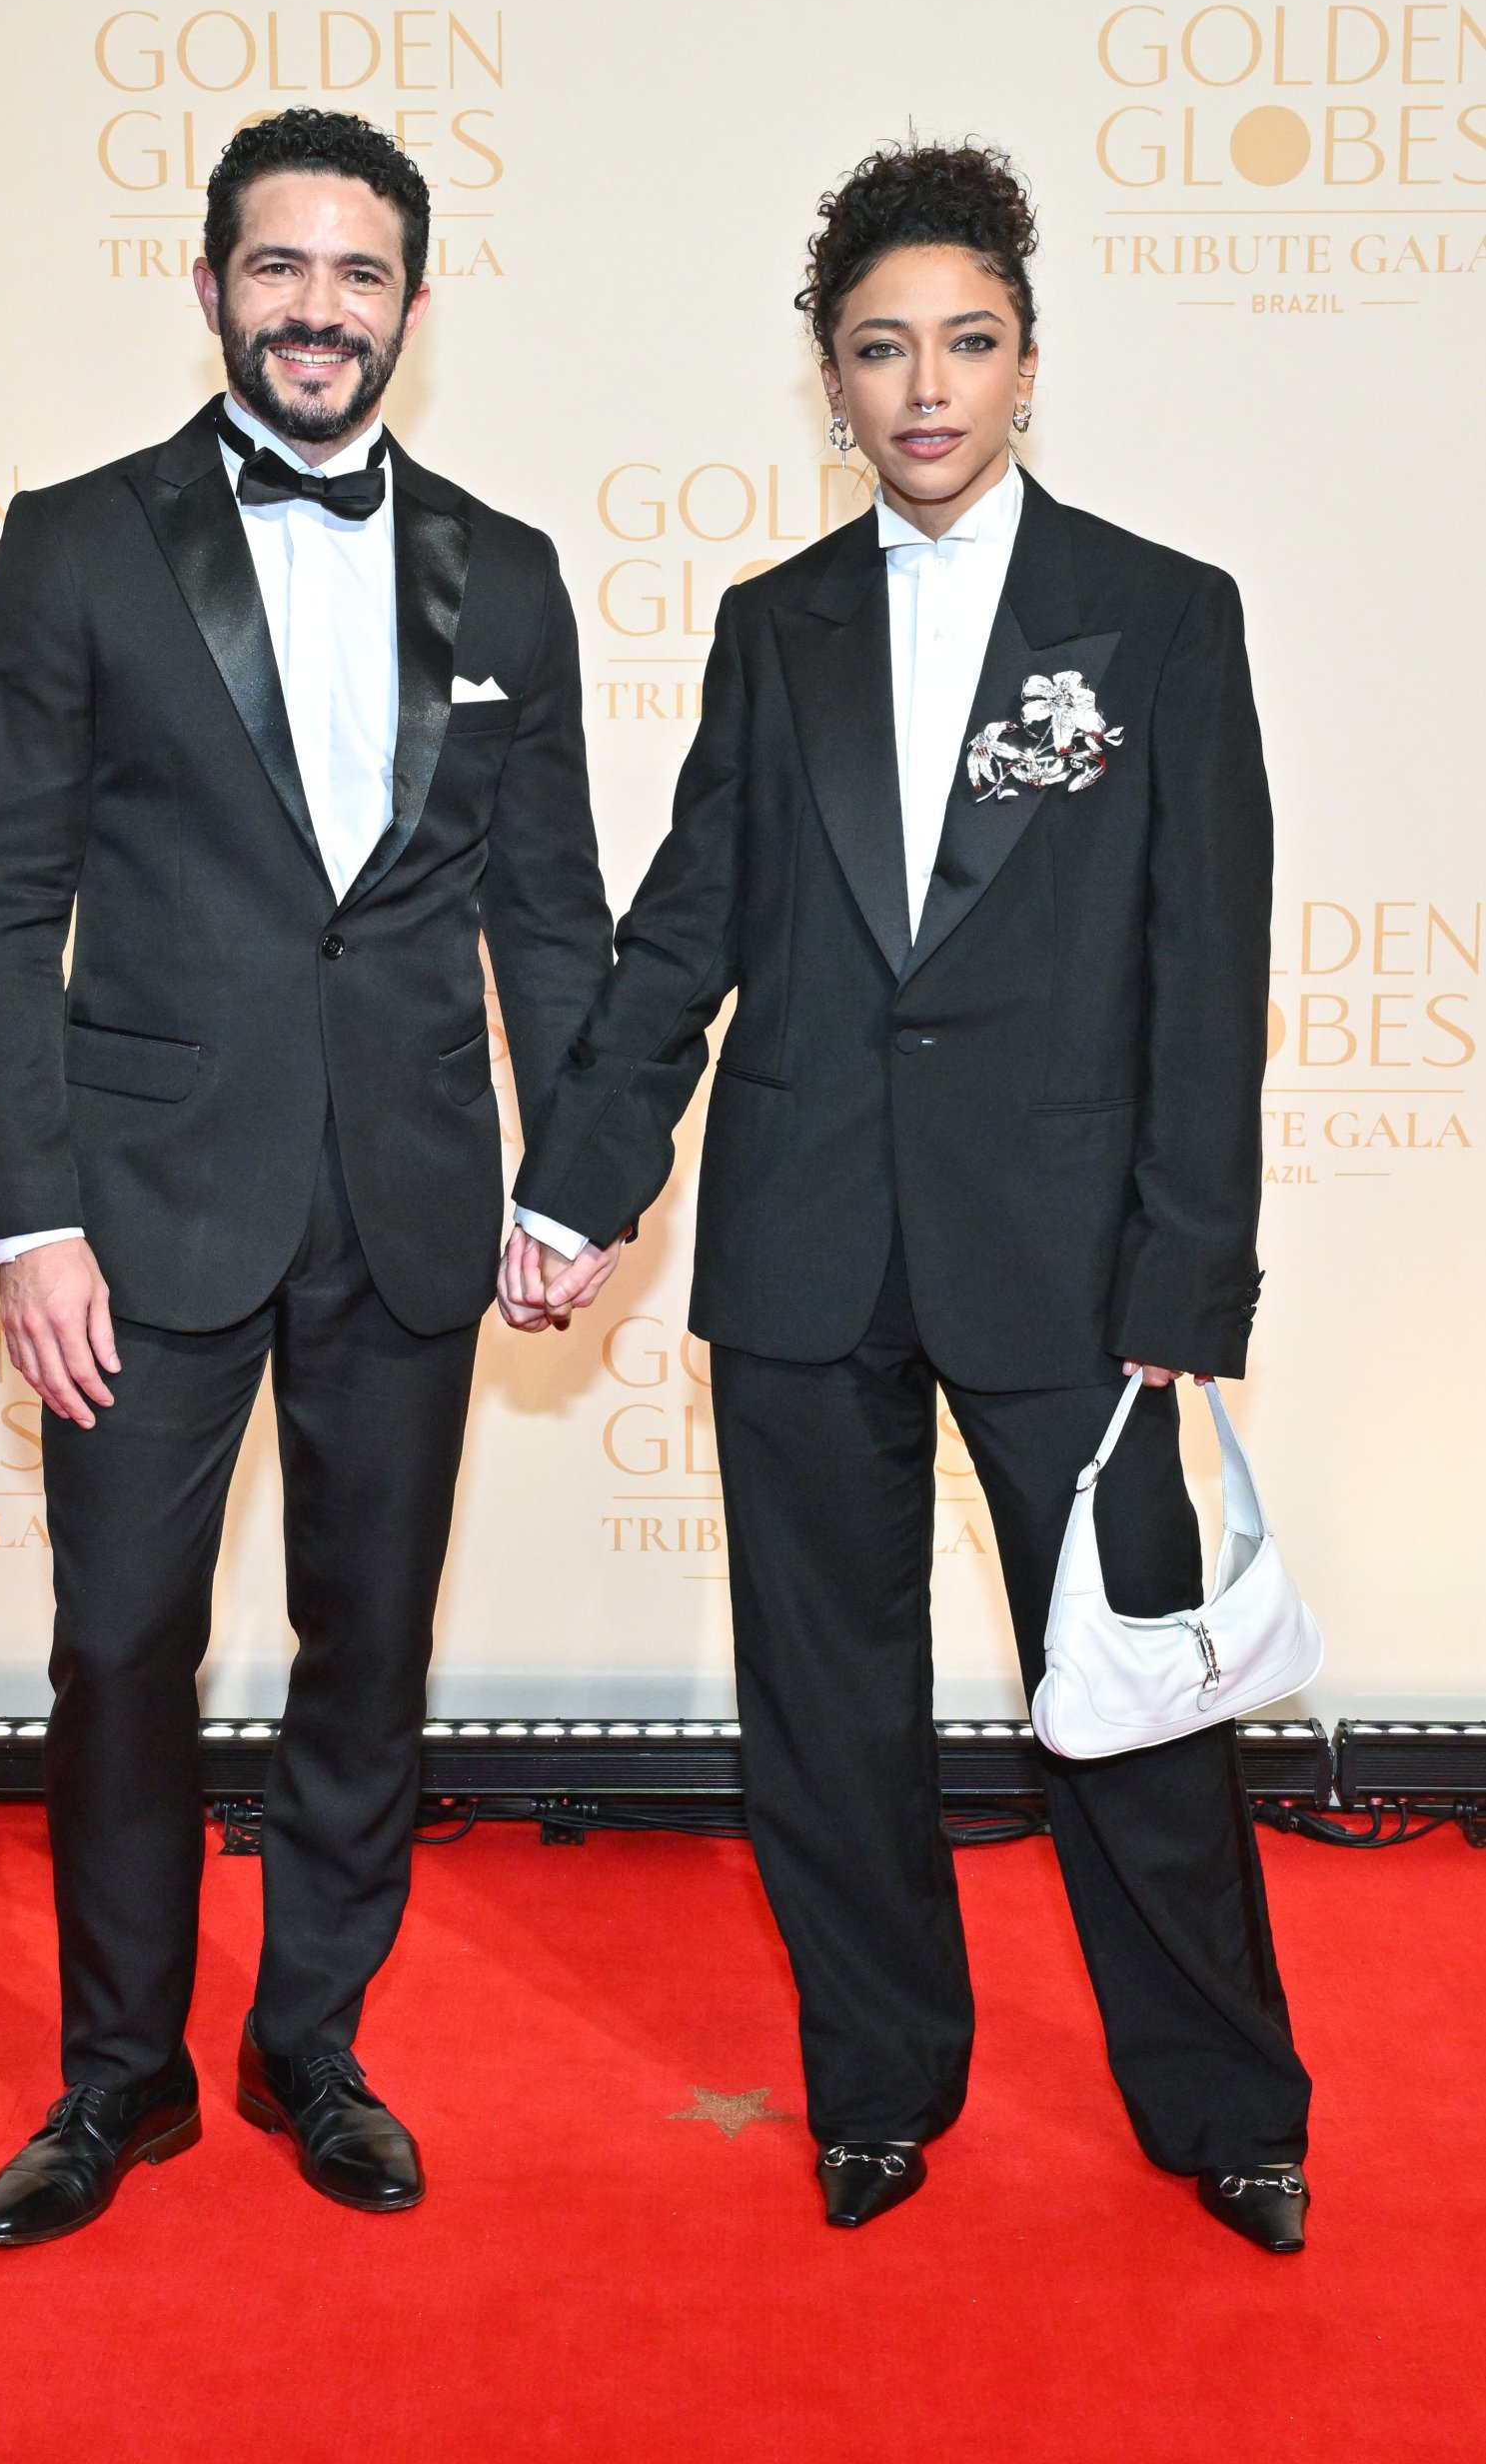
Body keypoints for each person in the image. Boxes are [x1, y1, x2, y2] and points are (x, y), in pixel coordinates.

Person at [502, 142, 1311, 2250]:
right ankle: (878, 2079)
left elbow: (1204, 969)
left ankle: (1227, 2101)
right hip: (799, 1246)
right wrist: (578, 1186)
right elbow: (683, 931)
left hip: (1071, 1264)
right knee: (825, 1703)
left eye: (964, 340)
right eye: (880, 348)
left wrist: (1186, 1269)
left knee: (1135, 1700)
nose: (924, 385)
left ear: (1027, 362)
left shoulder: (1157, 615)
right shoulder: (774, 633)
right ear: (829, 380)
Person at [0, 107, 612, 2245]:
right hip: (137, 1215)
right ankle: (118, 2074)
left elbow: (555, 912)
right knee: (122, 1643)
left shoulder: (504, 569)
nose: (318, 308)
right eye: (280, 267)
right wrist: (28, 1214)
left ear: (414, 300)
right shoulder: (75, 541)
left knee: (363, 1648)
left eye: (359, 274)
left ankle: (308, 2037)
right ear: (210, 278)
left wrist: (578, 1171)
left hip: (408, 1192)